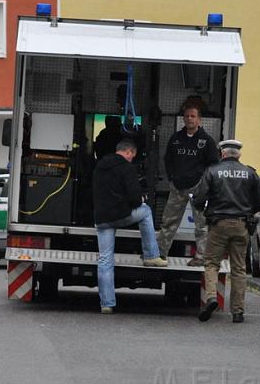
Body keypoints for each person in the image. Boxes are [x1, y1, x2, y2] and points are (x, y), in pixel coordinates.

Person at [191, 139, 260, 323]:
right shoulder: (250, 173)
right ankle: (238, 311)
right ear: (238, 154)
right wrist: (247, 210)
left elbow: (199, 198)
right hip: (241, 224)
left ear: (222, 153)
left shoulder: (212, 171)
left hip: (218, 224)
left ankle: (210, 298)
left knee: (211, 263)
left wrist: (202, 207)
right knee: (239, 268)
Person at [93, 138, 168, 314]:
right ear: (129, 152)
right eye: (132, 156)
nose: (132, 159)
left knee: (105, 260)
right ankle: (151, 255)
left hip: (102, 219)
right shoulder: (127, 168)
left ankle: (106, 304)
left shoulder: (99, 166)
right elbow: (134, 198)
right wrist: (141, 199)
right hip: (121, 215)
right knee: (146, 211)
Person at [157, 100, 219, 267]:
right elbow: (167, 159)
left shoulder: (207, 141)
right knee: (168, 222)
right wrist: (171, 178)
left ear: (199, 120)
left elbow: (213, 165)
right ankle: (160, 254)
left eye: (193, 116)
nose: (190, 119)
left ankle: (201, 257)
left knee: (201, 225)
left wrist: (205, 185)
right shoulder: (176, 139)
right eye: (187, 116)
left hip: (198, 189)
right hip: (177, 188)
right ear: (183, 119)